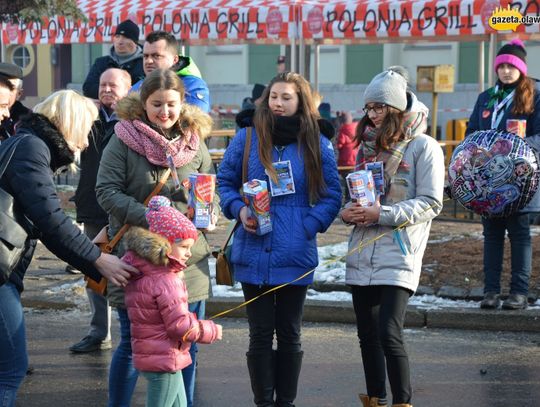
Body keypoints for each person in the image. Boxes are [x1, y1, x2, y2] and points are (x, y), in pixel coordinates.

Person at [0, 89, 138, 406]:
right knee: (10, 370)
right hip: (1, 276)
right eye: (86, 130)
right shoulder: (32, 149)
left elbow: (46, 223)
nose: (87, 143)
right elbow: (51, 220)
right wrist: (98, 261)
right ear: (71, 123)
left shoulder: (28, 144)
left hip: (6, 271)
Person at [217, 72, 342, 407]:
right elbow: (225, 181)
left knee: (289, 333)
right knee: (259, 334)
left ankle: (286, 402)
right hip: (252, 250)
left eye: (287, 97)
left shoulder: (317, 141)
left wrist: (307, 225)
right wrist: (239, 210)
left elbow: (333, 195)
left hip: (295, 251)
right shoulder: (246, 137)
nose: (278, 103)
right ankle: (264, 402)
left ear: (301, 100)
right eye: (274, 96)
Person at [95, 68, 218, 407]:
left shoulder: (194, 141)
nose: (164, 112)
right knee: (135, 343)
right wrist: (149, 215)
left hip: (186, 260)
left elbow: (208, 186)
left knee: (186, 344)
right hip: (139, 259)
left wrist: (208, 209)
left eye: (171, 105)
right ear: (143, 104)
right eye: (157, 104)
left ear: (183, 104)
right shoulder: (123, 138)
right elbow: (105, 191)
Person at [341, 67, 444, 407]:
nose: (372, 115)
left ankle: (402, 401)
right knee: (366, 336)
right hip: (362, 250)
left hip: (399, 253)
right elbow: (356, 197)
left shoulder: (423, 146)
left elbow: (431, 202)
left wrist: (381, 214)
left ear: (397, 108)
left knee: (389, 332)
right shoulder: (367, 149)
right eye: (369, 108)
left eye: (380, 107)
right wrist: (347, 213)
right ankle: (374, 399)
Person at [124, 195, 222, 407]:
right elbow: (179, 326)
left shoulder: (146, 268)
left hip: (159, 356)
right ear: (165, 243)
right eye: (185, 246)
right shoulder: (167, 278)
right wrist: (210, 330)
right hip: (164, 359)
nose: (189, 253)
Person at [466, 38, 540, 310]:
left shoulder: (535, 94)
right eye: (501, 66)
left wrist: (512, 148)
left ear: (521, 68)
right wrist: (475, 153)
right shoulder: (485, 98)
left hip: (521, 179)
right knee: (492, 236)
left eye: (512, 65)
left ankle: (519, 293)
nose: (506, 71)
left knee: (519, 234)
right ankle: (490, 292)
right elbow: (471, 133)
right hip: (489, 182)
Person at [69, 68, 132, 353]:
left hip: (124, 212)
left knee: (130, 271)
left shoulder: (135, 119)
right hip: (93, 209)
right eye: (103, 85)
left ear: (128, 90)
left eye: (113, 86)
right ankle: (99, 332)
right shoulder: (89, 118)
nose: (106, 90)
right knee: (94, 270)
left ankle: (134, 331)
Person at [131, 30, 210, 113]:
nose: (149, 61)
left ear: (175, 59)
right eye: (145, 56)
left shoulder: (193, 86)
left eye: (156, 56)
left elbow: (194, 121)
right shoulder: (136, 87)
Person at [82, 20, 144, 99]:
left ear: (134, 42)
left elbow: (146, 90)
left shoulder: (144, 63)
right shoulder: (101, 63)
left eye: (125, 37)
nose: (120, 41)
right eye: (117, 36)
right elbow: (88, 88)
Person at [0, 63, 30, 142]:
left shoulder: (28, 119)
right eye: (3, 86)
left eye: (11, 88)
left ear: (19, 94)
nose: (6, 92)